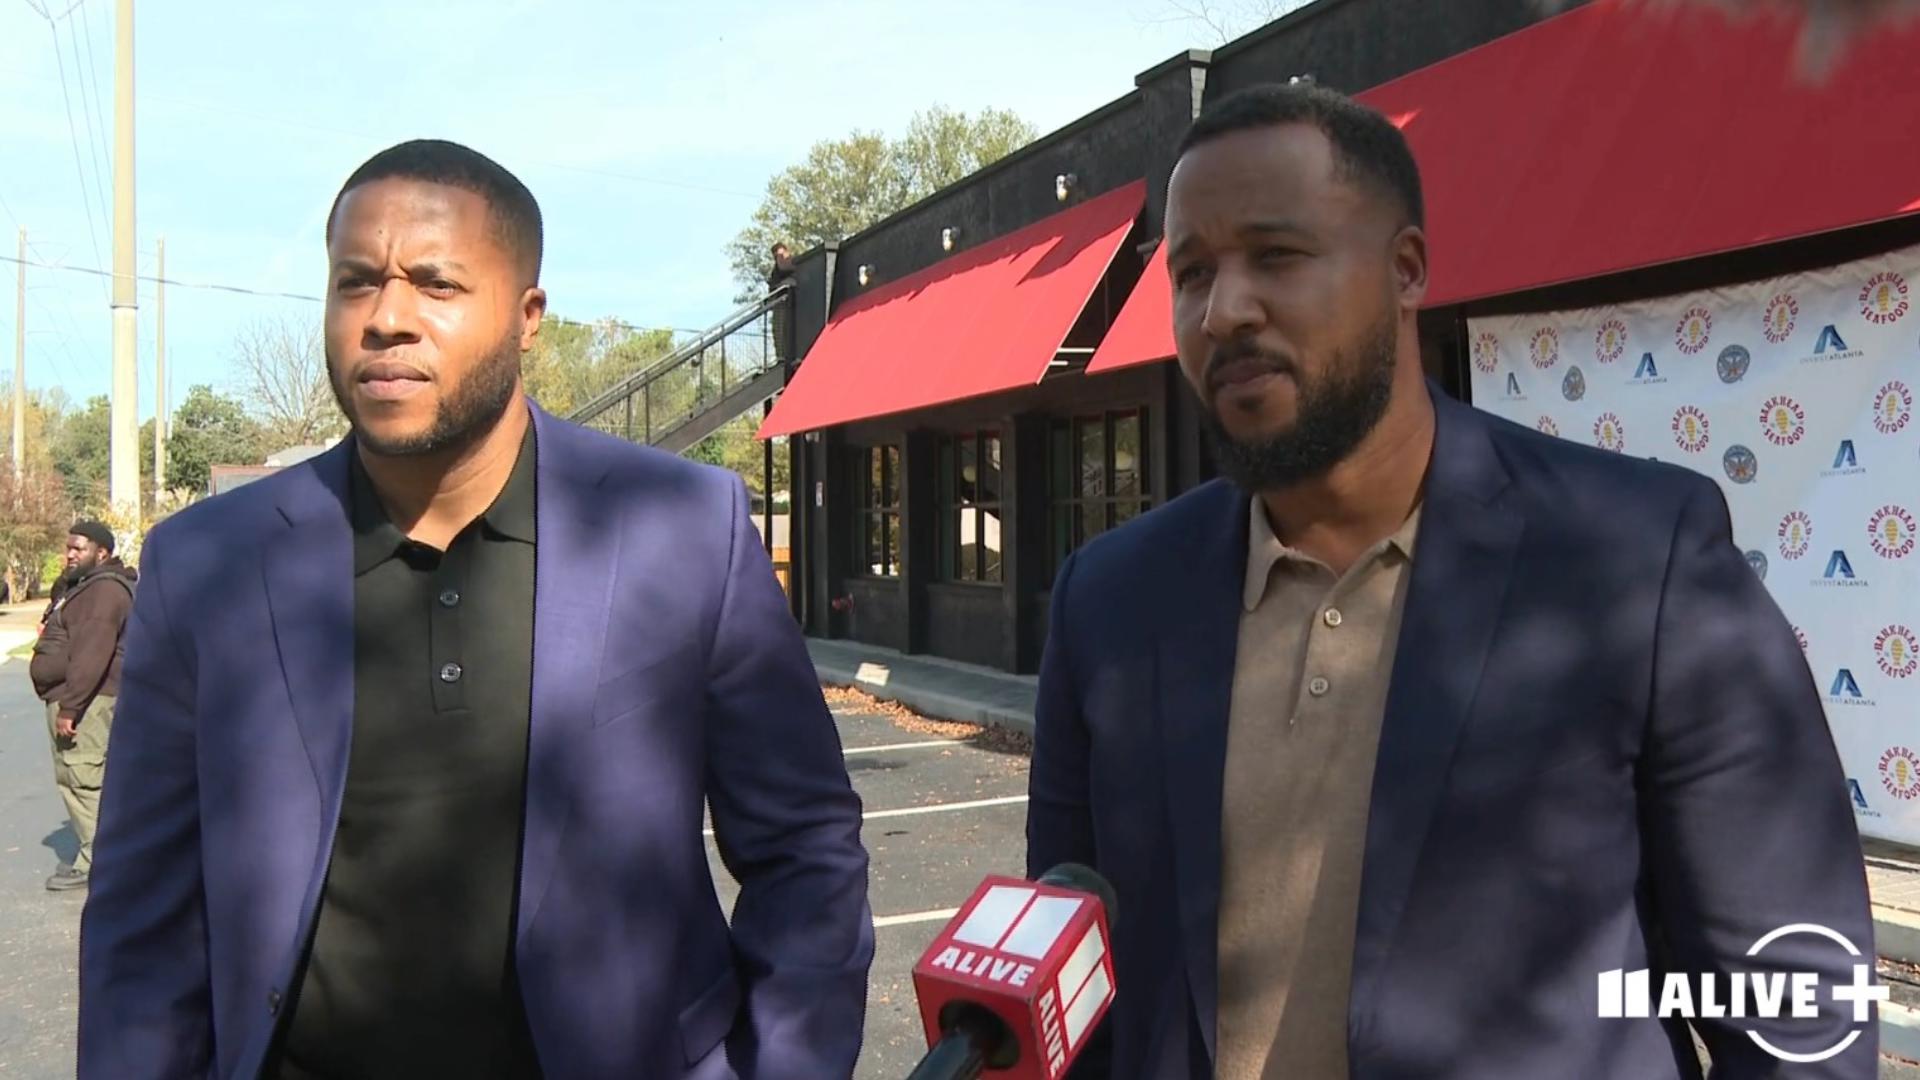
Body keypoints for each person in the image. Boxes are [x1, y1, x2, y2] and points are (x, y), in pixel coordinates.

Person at [1026, 84, 1876, 1079]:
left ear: (1407, 270)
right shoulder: (1111, 602)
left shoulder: (1638, 562)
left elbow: (1794, 997)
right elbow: (1069, 986)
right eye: (1192, 272)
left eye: (1277, 256)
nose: (1225, 310)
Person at [78, 139, 873, 1080]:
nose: (387, 320)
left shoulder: (678, 529)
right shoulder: (208, 563)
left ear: (527, 316)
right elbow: (142, 918)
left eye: (437, 285)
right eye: (355, 283)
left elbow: (804, 848)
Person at [27, 521, 135, 892]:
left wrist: (71, 708)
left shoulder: (104, 591)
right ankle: (100, 856)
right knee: (73, 779)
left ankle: (98, 863)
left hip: (88, 702)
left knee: (86, 780)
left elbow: (93, 654)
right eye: (69, 547)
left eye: (79, 549)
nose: (70, 554)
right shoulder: (83, 587)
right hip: (73, 699)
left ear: (101, 553)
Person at [767, 241, 797, 364]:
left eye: (780, 255)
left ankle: (786, 355)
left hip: (788, 303)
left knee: (786, 329)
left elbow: (786, 267)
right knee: (778, 331)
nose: (778, 259)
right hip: (778, 303)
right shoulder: (776, 272)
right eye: (775, 257)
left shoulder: (792, 264)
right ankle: (780, 356)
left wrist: (782, 257)